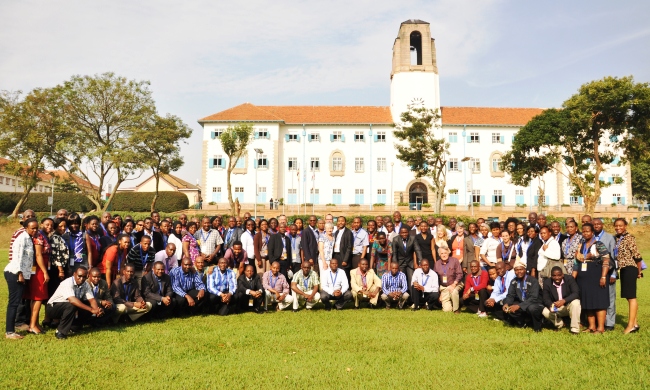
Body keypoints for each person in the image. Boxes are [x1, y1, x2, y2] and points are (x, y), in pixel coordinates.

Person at [572, 223, 612, 333]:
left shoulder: (599, 244)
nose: (585, 233)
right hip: (583, 278)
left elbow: (606, 260)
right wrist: (573, 277)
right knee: (587, 301)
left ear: (592, 232)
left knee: (599, 302)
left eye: (587, 231)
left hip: (597, 276)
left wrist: (603, 276)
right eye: (583, 231)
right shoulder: (581, 244)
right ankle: (591, 326)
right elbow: (576, 262)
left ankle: (600, 328)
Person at [46, 267, 104, 339]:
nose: (82, 278)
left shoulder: (86, 284)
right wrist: (92, 310)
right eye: (79, 276)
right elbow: (72, 300)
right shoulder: (67, 283)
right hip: (53, 308)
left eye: (84, 277)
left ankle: (74, 326)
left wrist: (96, 310)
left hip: (68, 306)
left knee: (87, 304)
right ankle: (60, 331)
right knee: (72, 305)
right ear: (74, 274)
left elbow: (91, 299)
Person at [4, 218, 38, 339]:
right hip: (15, 273)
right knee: (14, 303)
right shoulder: (22, 238)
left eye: (36, 228)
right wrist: (20, 274)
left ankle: (11, 330)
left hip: (22, 274)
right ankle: (9, 332)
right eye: (32, 228)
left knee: (16, 302)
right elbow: (16, 257)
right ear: (26, 228)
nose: (35, 230)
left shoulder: (29, 238)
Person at [613, 218, 642, 334]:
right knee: (628, 296)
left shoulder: (629, 238)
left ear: (625, 226)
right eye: (616, 225)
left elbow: (637, 257)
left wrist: (638, 272)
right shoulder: (618, 238)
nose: (618, 227)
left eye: (621, 225)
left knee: (631, 297)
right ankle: (634, 323)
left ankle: (630, 325)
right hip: (623, 269)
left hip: (630, 268)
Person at [25, 218, 52, 334]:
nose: (49, 227)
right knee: (38, 297)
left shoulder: (42, 235)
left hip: (40, 268)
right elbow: (38, 255)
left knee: (37, 297)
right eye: (47, 224)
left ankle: (34, 323)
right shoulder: (39, 236)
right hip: (40, 269)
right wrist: (45, 272)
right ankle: (32, 325)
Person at [503, 261, 544, 332]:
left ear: (525, 270)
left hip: (535, 303)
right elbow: (510, 295)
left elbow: (534, 298)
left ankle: (537, 327)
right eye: (516, 270)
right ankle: (523, 322)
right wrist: (506, 304)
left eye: (521, 269)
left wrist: (518, 306)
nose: (519, 272)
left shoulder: (533, 280)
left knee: (532, 308)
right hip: (523, 302)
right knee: (508, 304)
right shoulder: (514, 281)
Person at [593, 218, 617, 331]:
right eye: (594, 224)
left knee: (610, 297)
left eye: (598, 224)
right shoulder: (590, 237)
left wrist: (613, 274)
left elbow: (614, 257)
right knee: (599, 298)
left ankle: (610, 322)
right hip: (595, 272)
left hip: (608, 272)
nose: (596, 226)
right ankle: (599, 321)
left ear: (602, 225)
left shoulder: (609, 238)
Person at [542, 266, 581, 334]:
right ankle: (560, 325)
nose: (557, 278)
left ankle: (574, 329)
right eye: (554, 276)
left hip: (568, 305)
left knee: (576, 303)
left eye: (559, 275)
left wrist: (564, 301)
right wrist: (551, 305)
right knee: (545, 311)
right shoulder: (547, 283)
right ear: (551, 276)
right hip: (556, 307)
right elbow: (545, 298)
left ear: (562, 274)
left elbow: (576, 293)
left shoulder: (569, 279)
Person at [433, 247, 463, 313]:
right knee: (447, 310)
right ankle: (452, 304)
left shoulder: (455, 261)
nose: (444, 255)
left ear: (448, 253)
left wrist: (454, 284)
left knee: (454, 291)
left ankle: (456, 309)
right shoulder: (437, 264)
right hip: (444, 287)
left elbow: (460, 274)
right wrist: (440, 293)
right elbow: (435, 279)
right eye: (442, 253)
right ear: (439, 255)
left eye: (445, 253)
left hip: (456, 283)